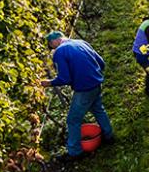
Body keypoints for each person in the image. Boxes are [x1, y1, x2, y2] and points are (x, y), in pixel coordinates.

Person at [40, 31, 113, 161]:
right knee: (98, 109)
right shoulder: (81, 43)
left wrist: (49, 83)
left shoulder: (60, 52)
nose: (53, 49)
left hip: (84, 90)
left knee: (73, 120)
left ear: (53, 42)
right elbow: (101, 63)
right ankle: (109, 136)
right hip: (96, 84)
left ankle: (75, 152)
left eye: (52, 46)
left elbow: (64, 78)